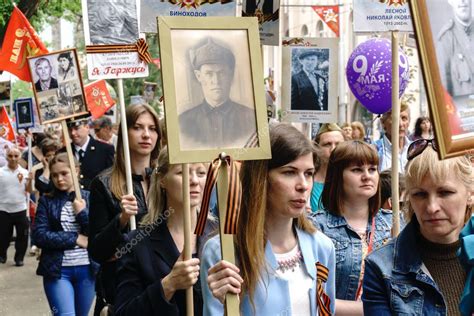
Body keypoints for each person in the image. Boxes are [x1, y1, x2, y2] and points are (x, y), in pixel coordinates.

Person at [202, 123, 336, 315]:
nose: (303, 185)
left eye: (309, 173)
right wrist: (226, 307)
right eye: (289, 172)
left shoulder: (322, 247)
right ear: (260, 178)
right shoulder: (224, 251)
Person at [362, 140, 473, 315]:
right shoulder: (381, 267)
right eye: (420, 194)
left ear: (470, 194)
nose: (431, 207)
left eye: (445, 192)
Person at [114, 147, 216, 315]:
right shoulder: (137, 243)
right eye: (182, 173)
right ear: (162, 180)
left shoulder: (221, 237)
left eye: (201, 173)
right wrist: (168, 285)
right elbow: (124, 312)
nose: (194, 181)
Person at [88, 103, 161, 315]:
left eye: (152, 128)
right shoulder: (103, 183)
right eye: (137, 127)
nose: (146, 134)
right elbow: (98, 251)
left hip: (162, 289)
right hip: (122, 292)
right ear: (124, 132)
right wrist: (121, 219)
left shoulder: (167, 180)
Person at [311, 140, 396, 315]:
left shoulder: (395, 223)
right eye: (357, 170)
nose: (367, 176)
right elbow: (313, 295)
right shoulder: (317, 227)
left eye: (372, 169)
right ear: (337, 175)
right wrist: (372, 308)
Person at [32, 153, 98, 316]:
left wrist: (82, 213)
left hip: (87, 270)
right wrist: (75, 238)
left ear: (75, 171)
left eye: (64, 173)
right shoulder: (47, 201)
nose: (59, 179)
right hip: (57, 271)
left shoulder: (90, 198)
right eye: (54, 175)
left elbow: (98, 235)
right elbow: (39, 235)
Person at [178, 38, 257, 149]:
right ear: (198, 76)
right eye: (209, 74)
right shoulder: (183, 122)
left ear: (231, 75)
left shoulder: (251, 118)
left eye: (222, 73)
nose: (216, 81)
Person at [0, 147, 33, 266]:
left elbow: (29, 191)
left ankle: (19, 258)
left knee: (22, 235)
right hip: (3, 209)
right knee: (3, 235)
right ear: (6, 157)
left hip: (20, 208)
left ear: (19, 157)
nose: (13, 159)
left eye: (16, 156)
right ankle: (2, 254)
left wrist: (30, 181)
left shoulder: (24, 172)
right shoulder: (1, 172)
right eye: (10, 156)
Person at [437, 0, 474, 97]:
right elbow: (444, 93)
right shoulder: (445, 39)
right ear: (450, 1)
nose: (462, 1)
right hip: (463, 110)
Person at [67, 118, 115, 190]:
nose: (73, 133)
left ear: (87, 127)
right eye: (70, 129)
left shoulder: (105, 149)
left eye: (76, 128)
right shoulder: (64, 152)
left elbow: (111, 179)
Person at [310, 123, 345, 212]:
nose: (333, 149)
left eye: (338, 144)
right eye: (327, 144)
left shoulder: (351, 180)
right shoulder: (308, 180)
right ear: (317, 148)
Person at [374, 101, 411, 172]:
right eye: (394, 119)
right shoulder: (375, 150)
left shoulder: (416, 149)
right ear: (383, 123)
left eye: (404, 118)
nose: (400, 124)